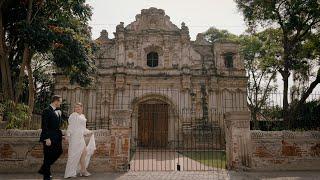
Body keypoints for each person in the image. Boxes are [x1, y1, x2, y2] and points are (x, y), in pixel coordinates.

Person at [64, 102, 96, 178]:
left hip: (80, 137)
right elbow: (70, 127)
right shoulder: (73, 115)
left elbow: (83, 128)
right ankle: (70, 173)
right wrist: (67, 135)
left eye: (78, 107)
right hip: (74, 138)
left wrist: (89, 132)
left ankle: (83, 170)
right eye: (75, 107)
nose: (77, 108)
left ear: (82, 108)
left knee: (84, 153)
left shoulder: (83, 116)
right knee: (73, 155)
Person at [38, 95, 65, 180]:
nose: (60, 103)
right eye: (60, 101)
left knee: (59, 151)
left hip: (57, 137)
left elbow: (57, 126)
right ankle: (46, 176)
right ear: (56, 101)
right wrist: (47, 138)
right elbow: (44, 125)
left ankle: (43, 168)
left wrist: (62, 135)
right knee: (47, 156)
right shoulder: (46, 110)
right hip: (48, 137)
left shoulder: (59, 111)